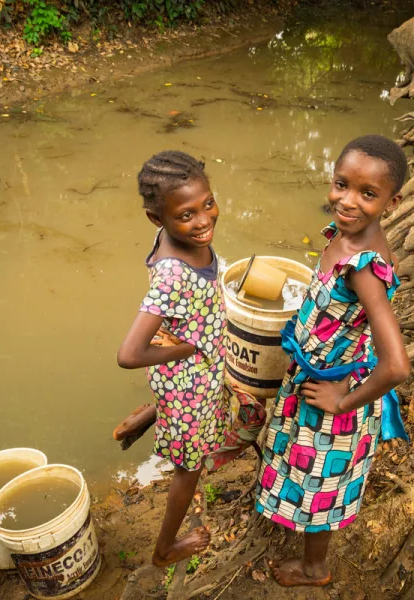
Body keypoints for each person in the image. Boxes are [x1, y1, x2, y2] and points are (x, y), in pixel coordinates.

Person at [255, 135, 412, 586]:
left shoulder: (363, 266)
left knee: (322, 485)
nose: (348, 201)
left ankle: (315, 568)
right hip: (314, 375)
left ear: (392, 200)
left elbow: (397, 364)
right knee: (300, 463)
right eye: (341, 185)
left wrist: (343, 402)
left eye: (368, 194)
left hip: (336, 396)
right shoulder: (344, 237)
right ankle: (290, 512)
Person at [116, 150, 227, 567]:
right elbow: (129, 355)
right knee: (189, 468)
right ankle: (165, 549)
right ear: (156, 219)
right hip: (188, 381)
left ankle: (159, 413)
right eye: (186, 215)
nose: (202, 221)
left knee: (195, 433)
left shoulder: (176, 236)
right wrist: (185, 349)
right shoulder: (172, 273)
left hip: (192, 375)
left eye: (208, 204)